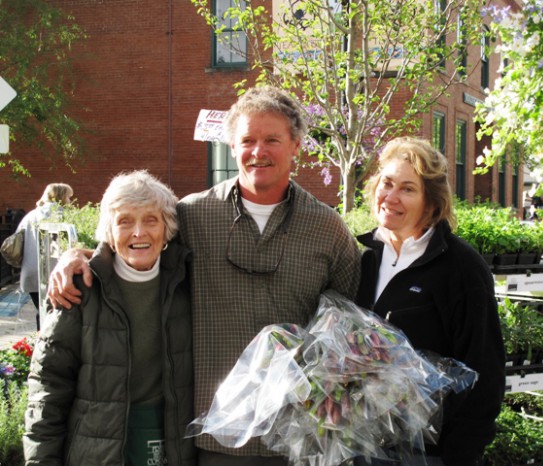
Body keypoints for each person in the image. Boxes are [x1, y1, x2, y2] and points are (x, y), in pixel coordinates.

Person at [47, 86, 362, 466]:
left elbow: (348, 329)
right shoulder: (193, 216)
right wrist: (74, 257)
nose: (258, 151)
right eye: (247, 140)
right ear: (232, 147)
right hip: (215, 439)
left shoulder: (328, 228)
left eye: (272, 140)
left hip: (299, 438)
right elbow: (134, 243)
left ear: (296, 145)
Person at [24, 170, 196, 466]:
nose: (139, 233)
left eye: (151, 220)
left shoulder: (187, 282)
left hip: (172, 445)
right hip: (97, 449)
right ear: (110, 232)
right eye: (125, 221)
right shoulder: (78, 288)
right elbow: (48, 387)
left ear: (167, 228)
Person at [355, 137, 505, 466]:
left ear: (431, 202)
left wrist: (459, 456)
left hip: (429, 455)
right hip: (360, 448)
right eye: (387, 183)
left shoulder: (461, 268)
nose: (391, 197)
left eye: (408, 189)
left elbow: (485, 376)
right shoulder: (362, 258)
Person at [17, 182, 73, 328]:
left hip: (31, 270)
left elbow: (18, 240)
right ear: (61, 197)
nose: (70, 201)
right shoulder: (62, 215)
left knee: (41, 311)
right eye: (68, 197)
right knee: (56, 312)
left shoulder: (30, 215)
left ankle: (39, 343)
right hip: (54, 271)